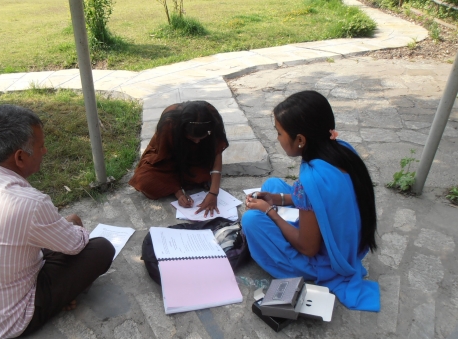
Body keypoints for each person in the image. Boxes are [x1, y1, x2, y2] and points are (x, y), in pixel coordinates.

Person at [0, 105, 115, 339]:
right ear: (20, 157)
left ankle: (58, 292)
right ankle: (55, 301)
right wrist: (73, 223)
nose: (45, 151)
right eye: (40, 146)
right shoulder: (29, 204)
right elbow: (76, 245)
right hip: (10, 320)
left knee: (49, 236)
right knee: (101, 248)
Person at [242, 91, 380, 311]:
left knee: (251, 221)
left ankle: (301, 268)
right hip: (346, 241)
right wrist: (277, 199)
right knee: (273, 185)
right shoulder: (342, 149)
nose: (277, 138)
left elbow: (308, 248)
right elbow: (322, 202)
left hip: (324, 260)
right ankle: (273, 200)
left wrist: (271, 212)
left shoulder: (311, 181)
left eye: (279, 133)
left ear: (300, 140)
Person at [128, 100, 229, 217]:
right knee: (145, 180)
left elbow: (217, 152)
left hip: (197, 157)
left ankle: (181, 181)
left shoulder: (212, 117)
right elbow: (163, 157)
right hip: (170, 158)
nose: (197, 141)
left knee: (200, 175)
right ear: (183, 130)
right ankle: (177, 184)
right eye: (192, 138)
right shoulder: (169, 122)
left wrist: (213, 193)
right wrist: (179, 193)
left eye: (201, 138)